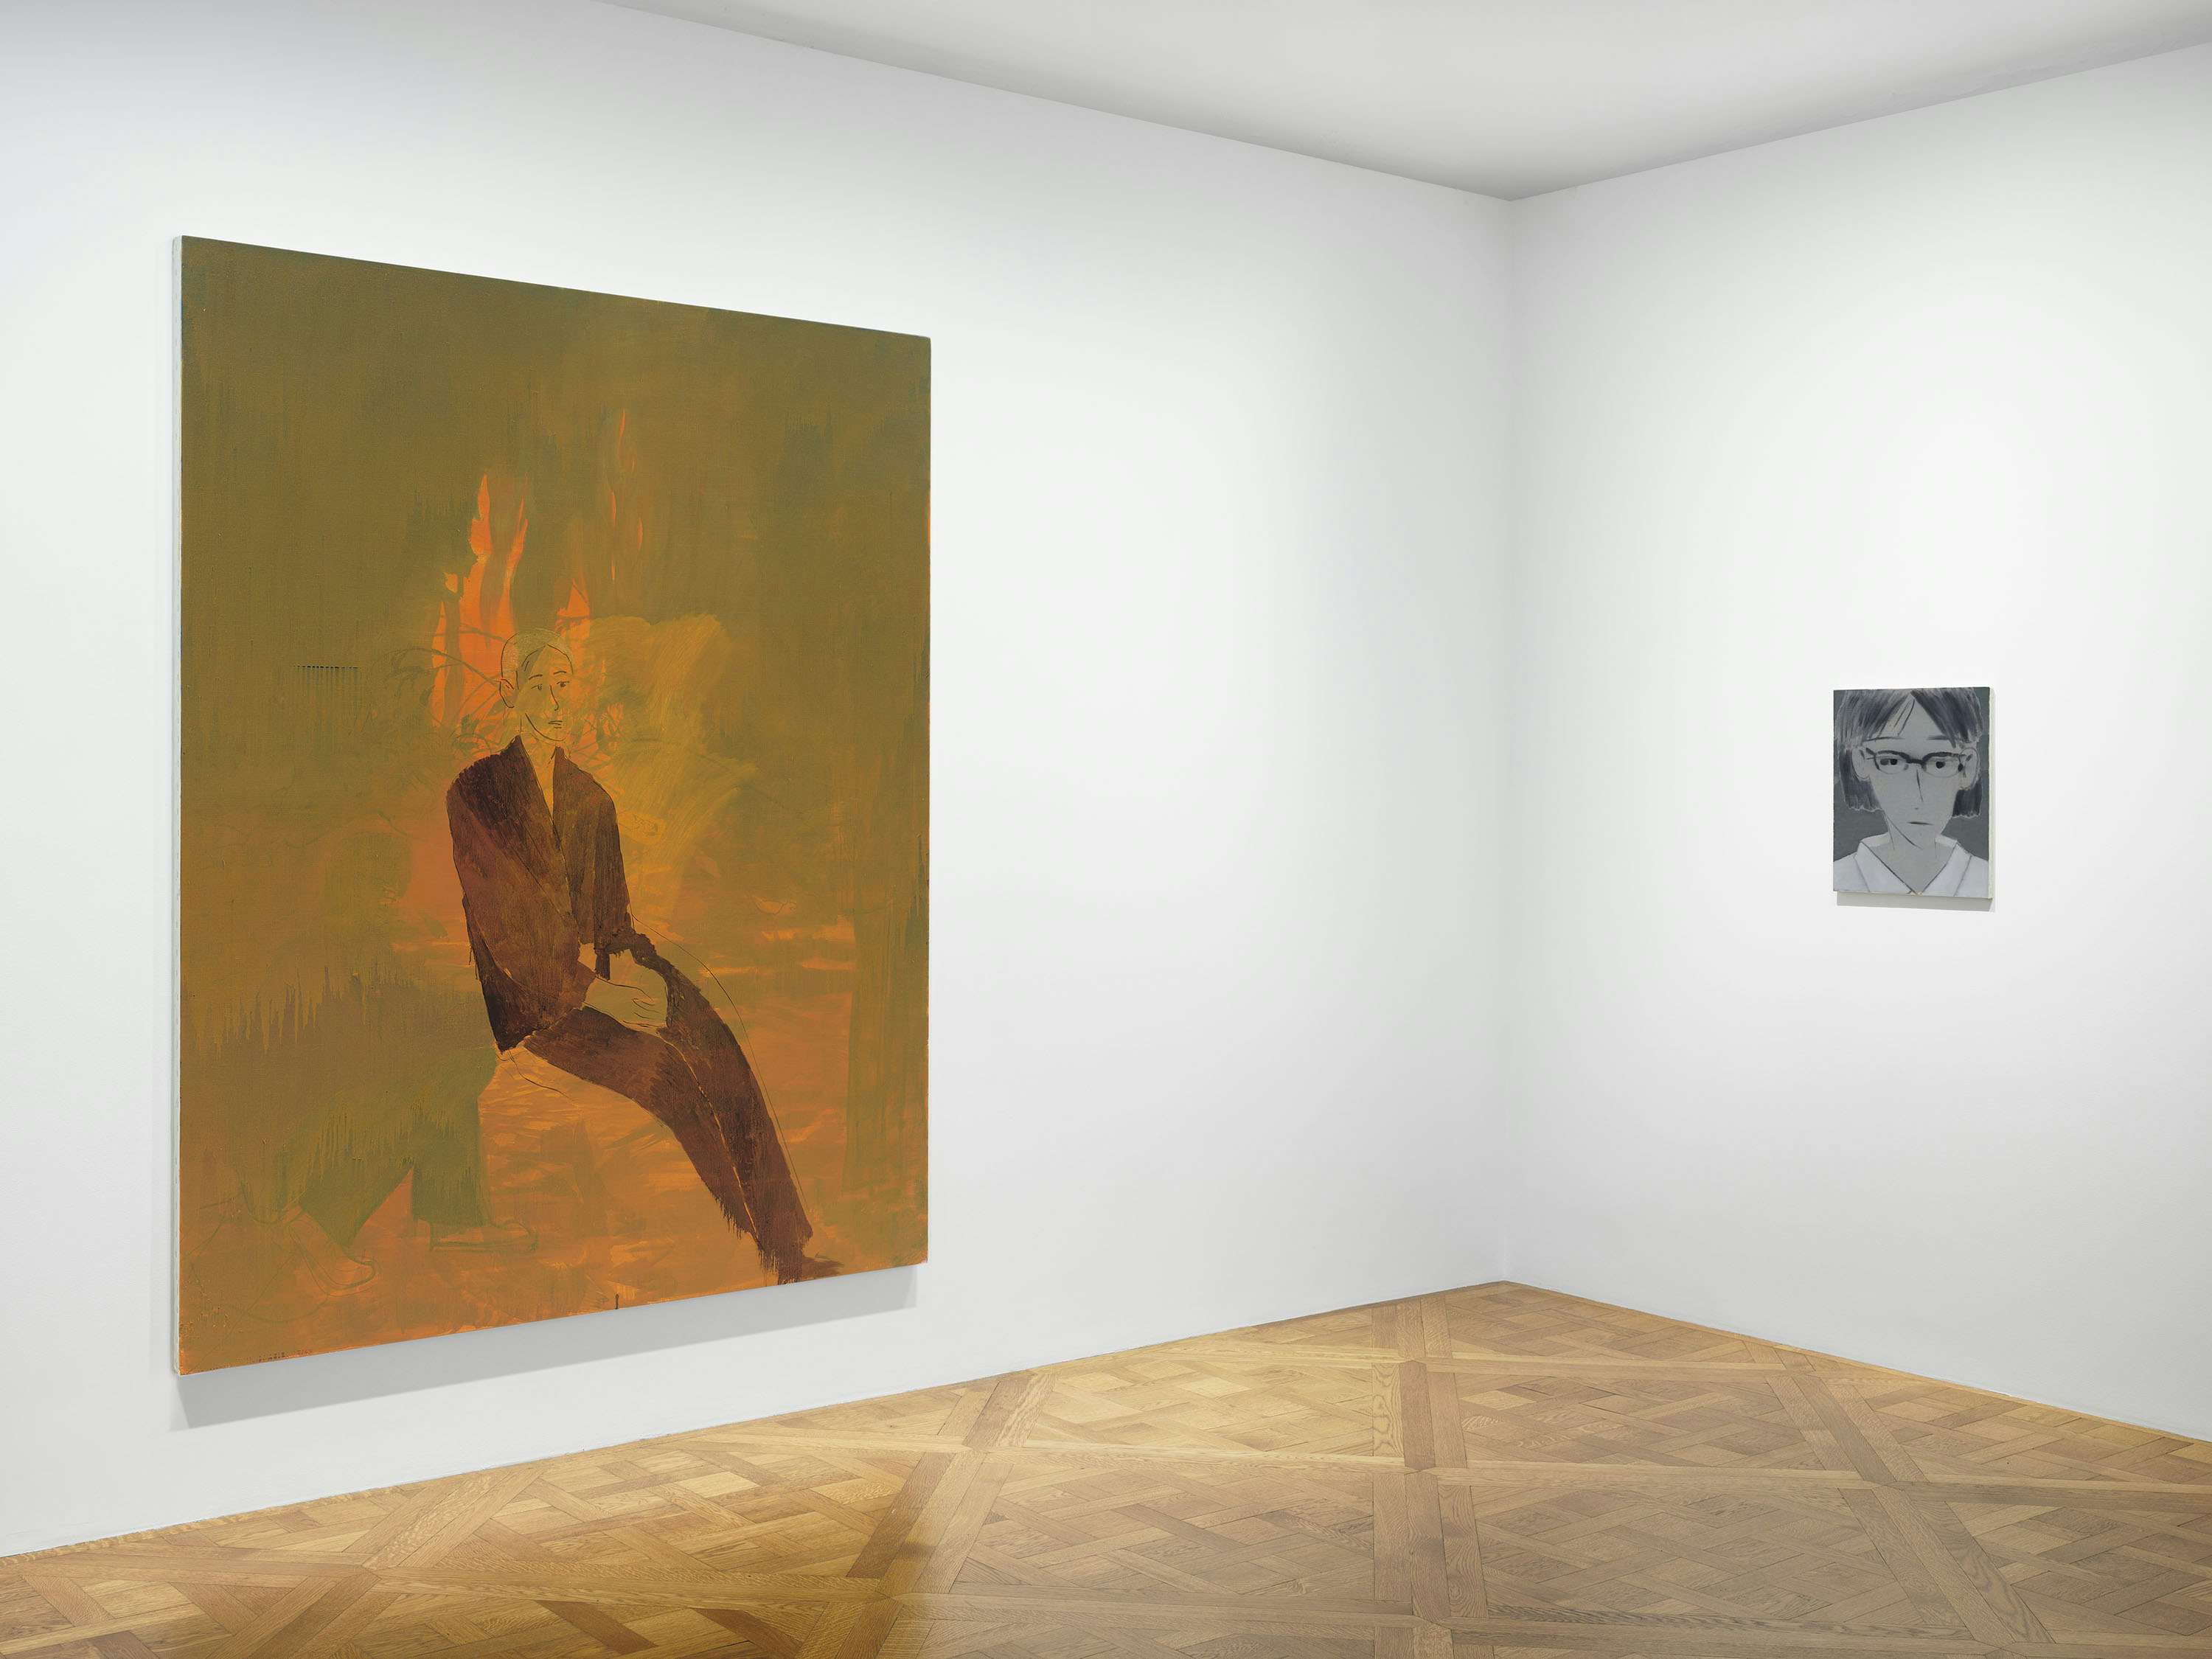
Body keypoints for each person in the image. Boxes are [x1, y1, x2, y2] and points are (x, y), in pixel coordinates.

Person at [446, 629, 832, 1281]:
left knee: (715, 1041)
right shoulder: (477, 793)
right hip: (535, 1001)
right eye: (539, 686)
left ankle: (787, 1246)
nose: (554, 702)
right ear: (510, 693)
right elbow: (513, 940)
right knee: (668, 1076)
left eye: (563, 686)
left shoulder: (590, 797)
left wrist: (636, 971)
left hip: (600, 975)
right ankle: (752, 1245)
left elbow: (612, 921)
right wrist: (603, 996)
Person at [1832, 687, 1990, 897]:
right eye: (1892, 761)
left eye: (1940, 763)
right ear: (1860, 762)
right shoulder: (1841, 876)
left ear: (1968, 767)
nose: (1918, 793)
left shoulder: (1984, 878)